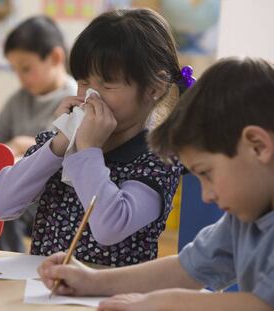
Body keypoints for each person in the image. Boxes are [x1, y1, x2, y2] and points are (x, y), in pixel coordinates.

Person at [37, 57, 274, 311]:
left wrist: (162, 304)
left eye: (206, 173)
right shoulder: (246, 217)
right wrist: (92, 281)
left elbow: (261, 305)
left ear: (258, 147)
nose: (206, 196)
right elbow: (185, 269)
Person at [0, 8, 188, 267]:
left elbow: (110, 227)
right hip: (42, 290)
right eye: (83, 82)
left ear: (154, 88)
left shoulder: (157, 158)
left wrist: (88, 151)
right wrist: (57, 145)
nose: (91, 96)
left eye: (107, 84)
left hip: (108, 299)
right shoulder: (61, 143)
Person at [0, 15, 76, 253]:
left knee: (6, 204)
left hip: (49, 194)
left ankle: (6, 264)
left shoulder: (72, 99)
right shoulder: (20, 99)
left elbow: (54, 151)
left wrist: (22, 147)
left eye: (26, 68)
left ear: (55, 58)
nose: (20, 77)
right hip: (21, 184)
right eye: (15, 70)